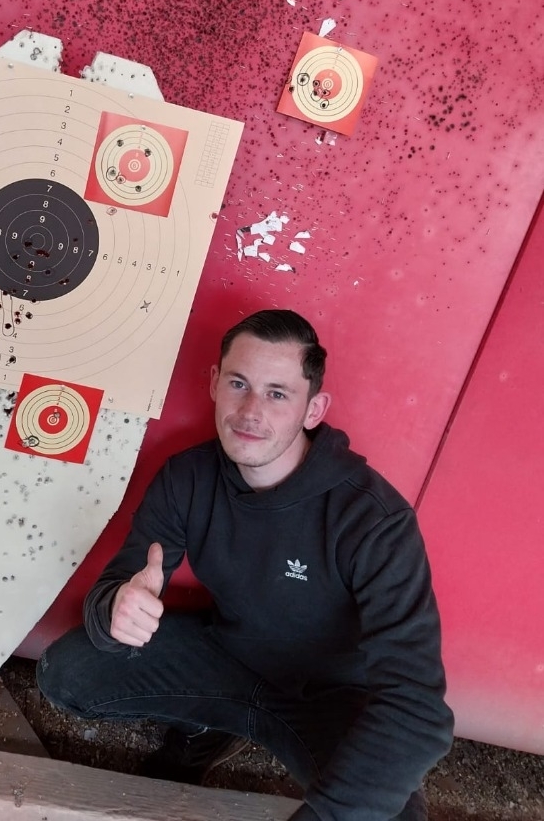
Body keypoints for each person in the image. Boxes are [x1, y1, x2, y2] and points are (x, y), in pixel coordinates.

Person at [37, 309, 454, 820]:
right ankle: (206, 728)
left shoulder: (373, 519)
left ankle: (228, 729)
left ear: (313, 409)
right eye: (239, 384)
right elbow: (116, 589)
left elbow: (418, 709)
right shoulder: (187, 478)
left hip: (327, 697)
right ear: (215, 383)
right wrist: (115, 610)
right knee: (69, 672)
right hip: (227, 660)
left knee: (393, 814)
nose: (251, 410)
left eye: (278, 394)